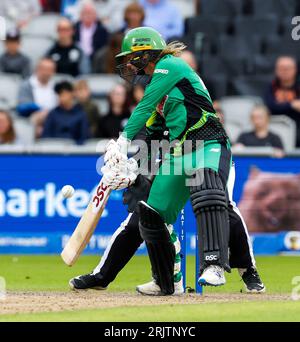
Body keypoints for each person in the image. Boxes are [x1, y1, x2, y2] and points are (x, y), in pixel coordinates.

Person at [70, 27, 265, 295]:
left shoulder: (170, 65)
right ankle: (162, 280)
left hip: (208, 145)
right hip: (179, 154)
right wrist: (131, 172)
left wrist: (121, 141)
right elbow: (151, 138)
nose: (128, 64)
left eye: (132, 57)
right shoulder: (160, 93)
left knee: (213, 197)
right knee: (148, 214)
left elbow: (144, 106)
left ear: (146, 54)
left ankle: (223, 266)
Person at [265, 56, 300, 146]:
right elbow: (271, 106)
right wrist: (291, 105)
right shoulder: (271, 86)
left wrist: (282, 106)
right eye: (281, 68)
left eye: (287, 68)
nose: (284, 71)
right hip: (275, 126)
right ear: (276, 70)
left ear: (295, 69)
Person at [17, 58, 57, 137]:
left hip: (54, 118)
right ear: (37, 69)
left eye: (50, 70)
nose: (46, 72)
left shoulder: (56, 86)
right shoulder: (27, 85)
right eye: (44, 69)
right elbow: (23, 106)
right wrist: (40, 110)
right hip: (33, 118)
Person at [104, 2, 145, 73]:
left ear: (141, 15)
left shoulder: (147, 32)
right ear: (126, 15)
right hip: (121, 63)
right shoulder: (118, 34)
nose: (133, 17)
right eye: (131, 13)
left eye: (136, 13)